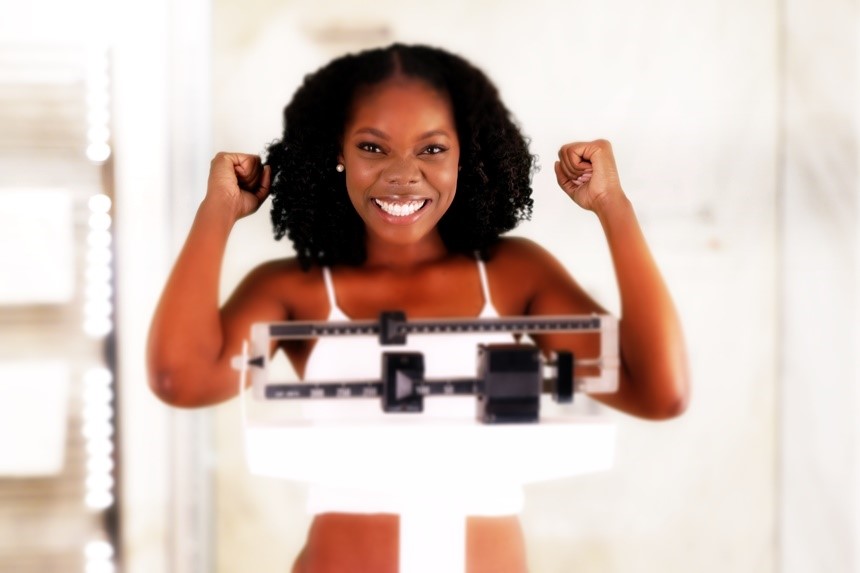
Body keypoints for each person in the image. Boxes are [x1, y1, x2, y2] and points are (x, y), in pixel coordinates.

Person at [147, 43, 689, 573]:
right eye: (372, 147)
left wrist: (612, 206)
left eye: (431, 148)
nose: (402, 174)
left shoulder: (512, 276)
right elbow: (180, 378)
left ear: (466, 152)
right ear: (337, 151)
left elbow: (660, 390)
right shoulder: (296, 288)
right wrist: (217, 211)